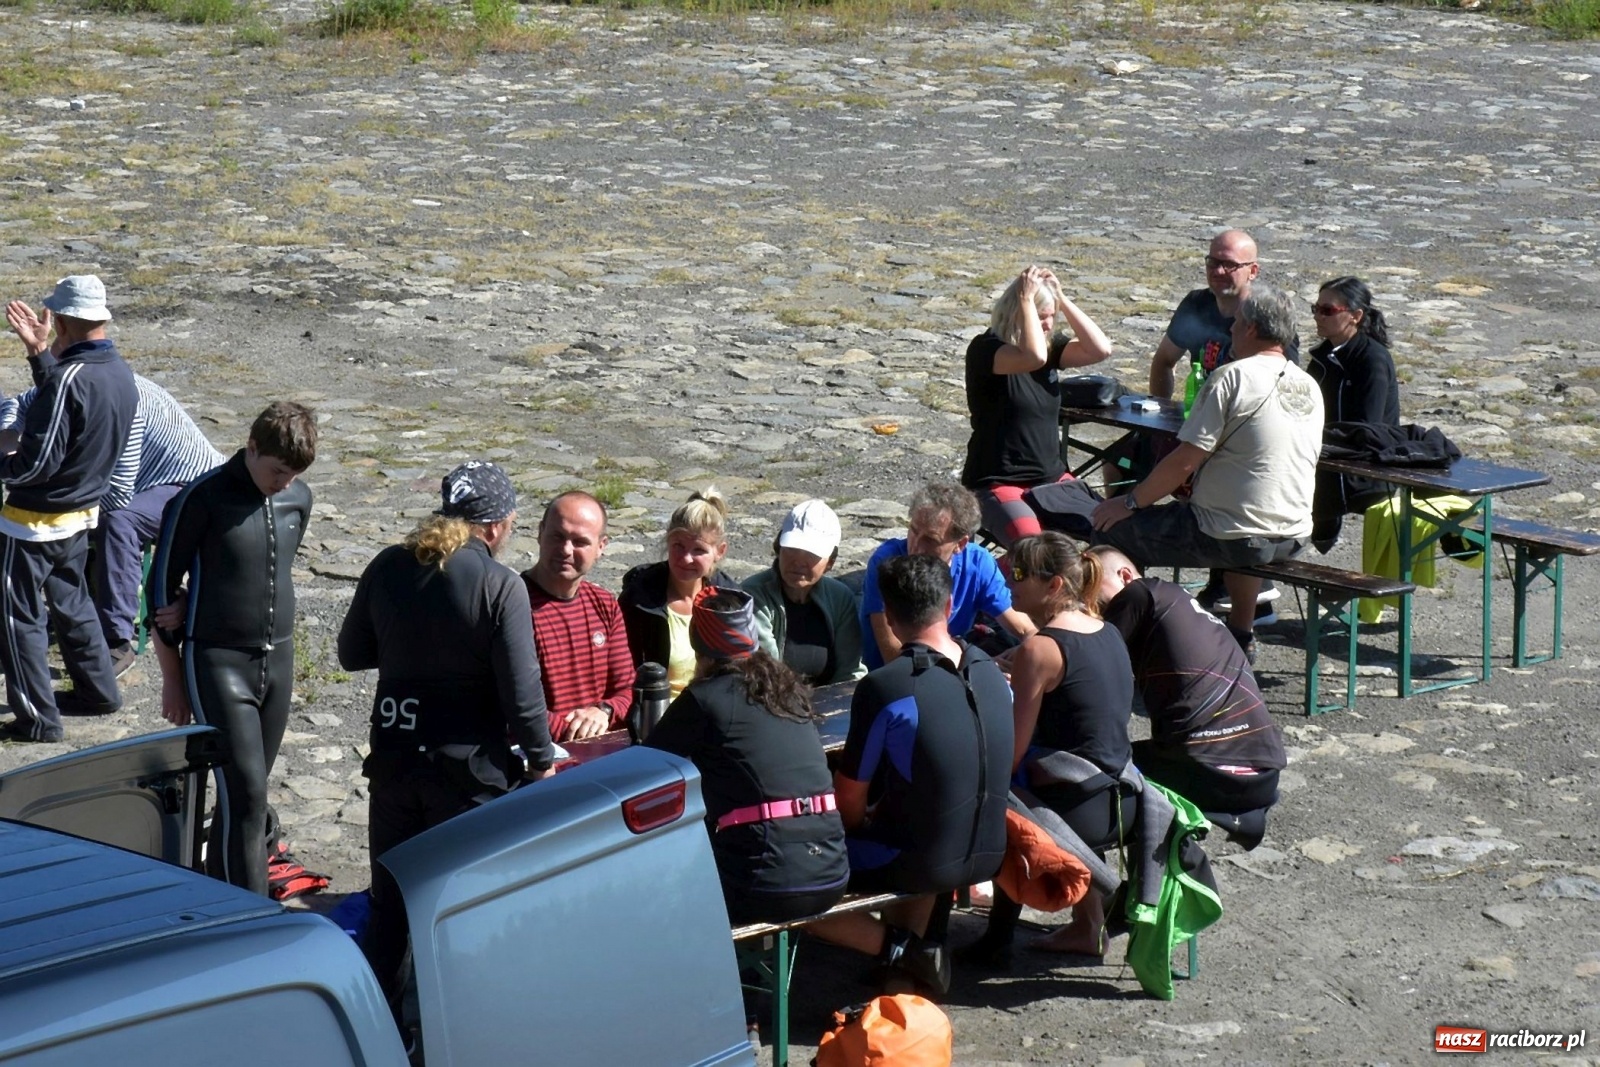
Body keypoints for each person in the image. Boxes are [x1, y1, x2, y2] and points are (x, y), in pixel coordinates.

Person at [337, 460, 556, 1027]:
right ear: (498, 526)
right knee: (461, 910)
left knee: (390, 909)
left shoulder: (387, 566)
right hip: (468, 777)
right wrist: (540, 761)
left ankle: (378, 1032)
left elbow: (351, 653)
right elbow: (523, 695)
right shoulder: (499, 585)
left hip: (393, 763)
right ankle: (461, 1031)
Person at [809, 554, 1013, 995]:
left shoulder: (887, 687)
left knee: (795, 881)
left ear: (888, 614)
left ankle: (903, 951)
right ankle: (904, 976)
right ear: (949, 605)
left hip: (927, 860)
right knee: (915, 824)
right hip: (990, 852)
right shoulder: (991, 671)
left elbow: (848, 802)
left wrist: (862, 823)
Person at [1089, 283, 1325, 658]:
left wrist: (1129, 503)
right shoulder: (1308, 385)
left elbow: (1185, 460)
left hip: (1232, 534)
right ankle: (1240, 635)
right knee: (1242, 519)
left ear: (1249, 328)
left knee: (1112, 533)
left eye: (1235, 323)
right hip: (1294, 533)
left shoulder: (1232, 377)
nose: (1228, 328)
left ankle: (1120, 644)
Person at [149, 401, 316, 896]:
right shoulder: (202, 499)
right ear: (251, 447)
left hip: (277, 660)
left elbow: (268, 573)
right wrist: (175, 680)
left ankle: (227, 895)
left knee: (249, 793)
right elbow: (160, 594)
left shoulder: (297, 499)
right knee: (245, 794)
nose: (283, 483)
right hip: (218, 664)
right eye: (277, 471)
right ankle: (249, 914)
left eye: (294, 475)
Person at [960, 533, 1134, 963]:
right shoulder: (1108, 630)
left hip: (1078, 807)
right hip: (1124, 795)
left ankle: (995, 940)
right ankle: (1087, 927)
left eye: (1019, 575)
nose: (1010, 583)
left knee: (997, 795)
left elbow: (1015, 751)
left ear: (1054, 585)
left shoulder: (1040, 648)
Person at [646, 589, 849, 926]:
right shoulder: (790, 692)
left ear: (699, 646)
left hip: (763, 886)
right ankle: (896, 947)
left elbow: (649, 765)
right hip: (833, 873)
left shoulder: (704, 697)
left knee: (656, 894)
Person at [2, 373, 223, 676]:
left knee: (117, 520)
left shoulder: (116, 396)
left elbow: (117, 493)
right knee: (73, 509)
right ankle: (77, 612)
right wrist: (8, 437)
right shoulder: (71, 381)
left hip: (190, 487)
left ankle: (116, 638)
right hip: (142, 480)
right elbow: (15, 405)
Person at [0, 277, 139, 743]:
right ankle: (99, 692)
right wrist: (41, 357)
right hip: (80, 515)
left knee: (18, 618)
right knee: (74, 604)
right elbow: (69, 414)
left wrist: (3, 467)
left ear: (60, 320)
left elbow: (36, 463)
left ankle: (38, 720)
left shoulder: (68, 379)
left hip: (33, 524)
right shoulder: (120, 374)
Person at [1086, 546, 1286, 817]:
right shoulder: (1179, 602)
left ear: (1125, 576)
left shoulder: (1138, 592)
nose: (1095, 611)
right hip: (1264, 773)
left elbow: (1086, 663)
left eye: (1096, 599)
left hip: (1210, 772)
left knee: (1088, 773)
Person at [961, 265, 1113, 546]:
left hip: (1051, 479)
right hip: (998, 481)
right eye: (1041, 317)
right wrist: (1025, 300)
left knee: (1111, 530)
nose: (1048, 324)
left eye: (1051, 317)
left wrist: (1062, 298)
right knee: (1034, 549)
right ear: (1018, 314)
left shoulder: (1048, 349)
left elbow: (1100, 349)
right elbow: (1033, 357)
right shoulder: (985, 349)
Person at [858, 479, 1036, 670]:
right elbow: (893, 655)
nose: (915, 546)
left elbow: (1025, 628)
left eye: (930, 540)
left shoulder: (977, 564)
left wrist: (1032, 650)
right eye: (913, 531)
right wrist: (977, 668)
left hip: (949, 664)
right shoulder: (886, 563)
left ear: (959, 544)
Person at [522, 491, 634, 742]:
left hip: (597, 750)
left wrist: (604, 711)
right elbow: (512, 702)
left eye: (580, 542)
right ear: (540, 533)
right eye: (557, 536)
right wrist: (576, 735)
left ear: (601, 547)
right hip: (540, 758)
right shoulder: (513, 605)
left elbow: (627, 690)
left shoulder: (604, 604)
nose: (566, 549)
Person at [619, 487, 741, 701]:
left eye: (698, 550)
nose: (686, 559)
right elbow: (621, 672)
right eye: (678, 546)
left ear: (719, 552)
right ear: (667, 542)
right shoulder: (639, 599)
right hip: (655, 715)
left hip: (713, 713)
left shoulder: (732, 604)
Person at [1307, 276, 1401, 547]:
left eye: (1327, 311)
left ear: (1355, 316)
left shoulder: (1372, 359)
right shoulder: (1323, 356)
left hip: (1365, 473)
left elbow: (1367, 426)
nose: (1318, 317)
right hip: (1328, 456)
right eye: (1316, 309)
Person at [743, 499, 864, 686]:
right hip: (770, 700)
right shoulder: (753, 595)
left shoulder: (839, 597)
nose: (799, 562)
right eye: (792, 550)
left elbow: (851, 670)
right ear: (779, 548)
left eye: (811, 553)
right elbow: (768, 673)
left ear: (830, 562)